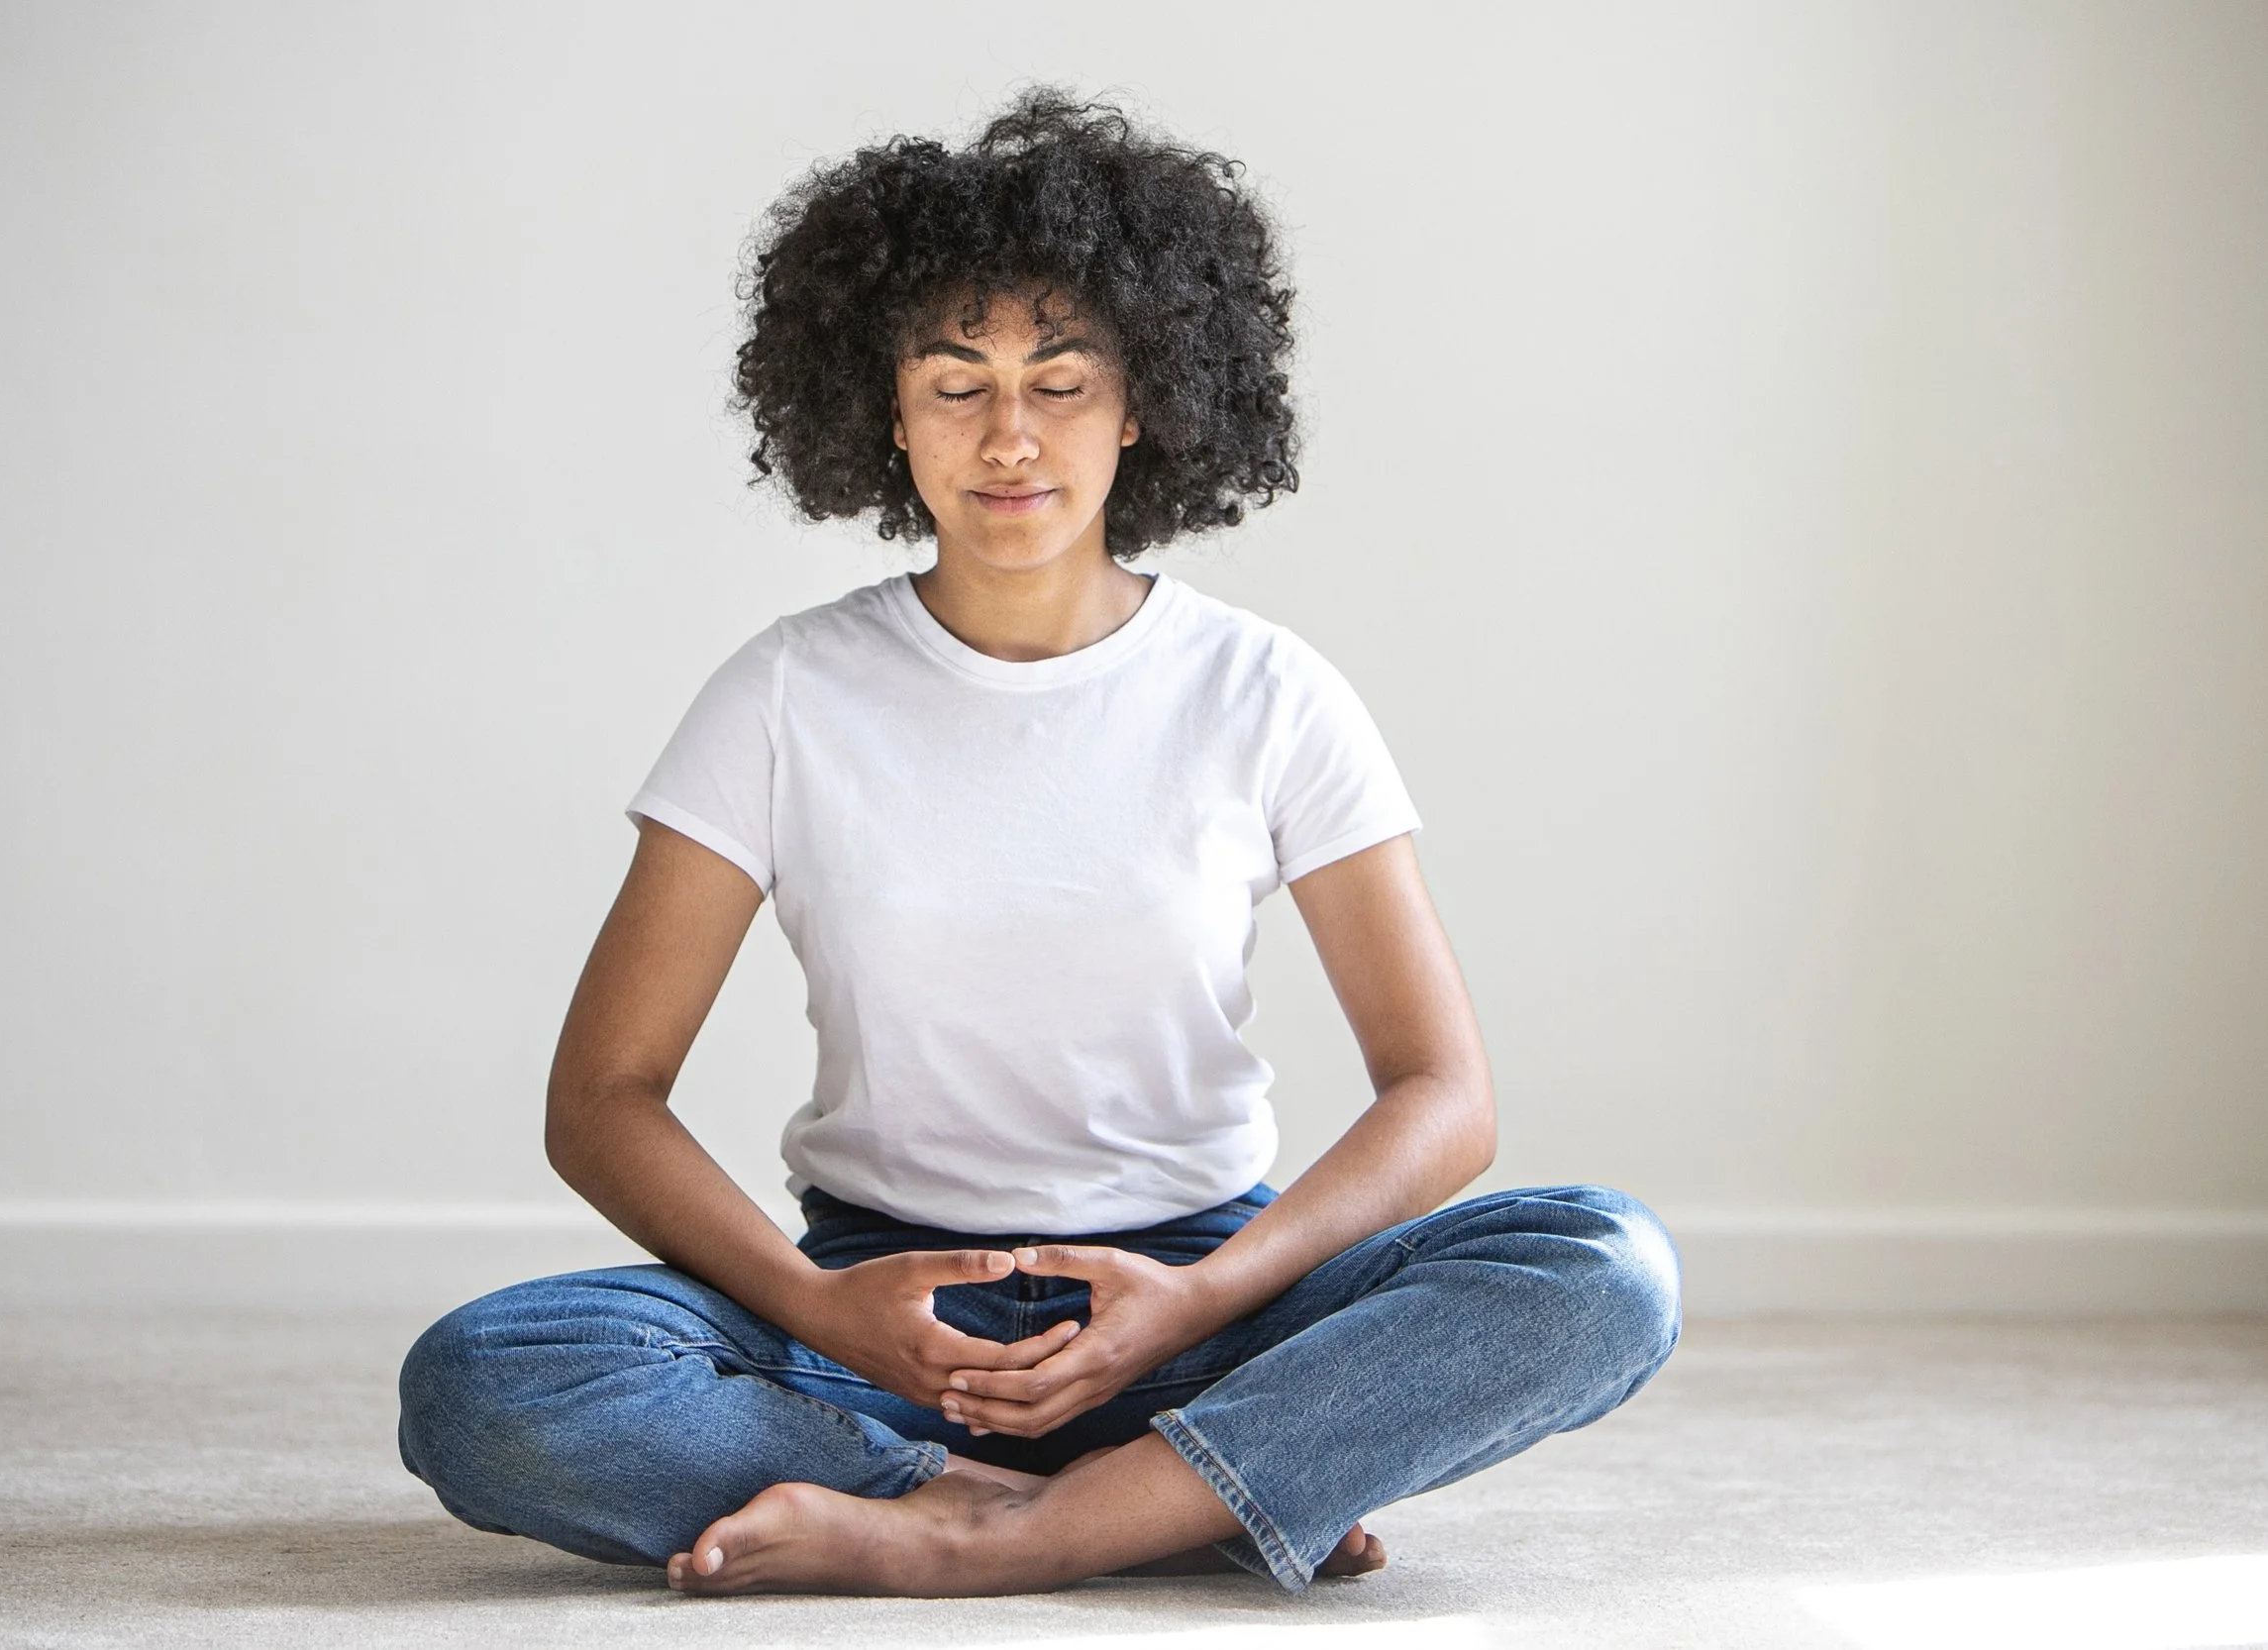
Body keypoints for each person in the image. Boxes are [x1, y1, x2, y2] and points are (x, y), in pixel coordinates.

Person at [396, 90, 1680, 1598]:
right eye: (957, 383)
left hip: (1204, 1306)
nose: (1010, 436)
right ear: (883, 408)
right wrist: (821, 1307)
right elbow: (603, 1096)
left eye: (1060, 381)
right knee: (483, 1375)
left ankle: (1018, 1527)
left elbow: (1445, 1096)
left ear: (1143, 403)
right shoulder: (783, 694)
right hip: (883, 1328)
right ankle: (1162, 1492)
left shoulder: (1267, 692)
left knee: (1604, 1268)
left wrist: (1197, 1296)